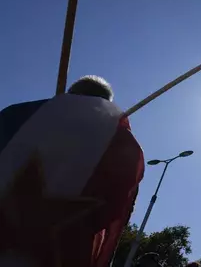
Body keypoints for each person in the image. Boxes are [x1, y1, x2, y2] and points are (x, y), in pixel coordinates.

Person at [0, 75, 144, 267]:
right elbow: (116, 206)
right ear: (106, 104)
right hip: (60, 252)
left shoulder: (18, 114)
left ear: (71, 93)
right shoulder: (121, 143)